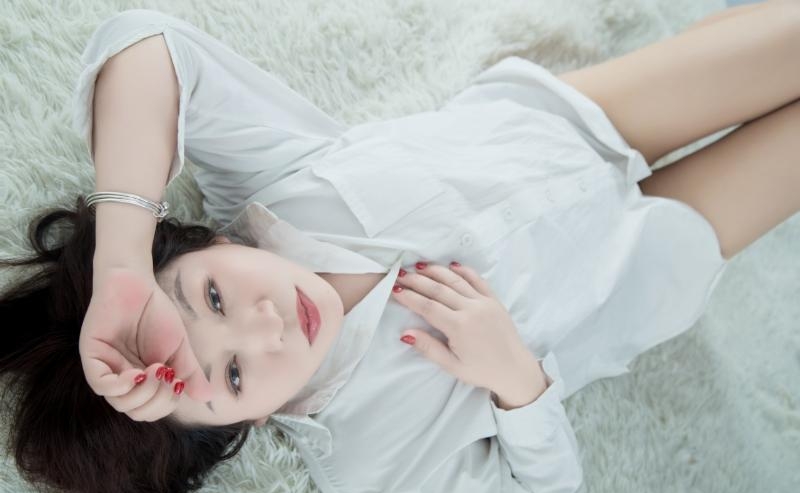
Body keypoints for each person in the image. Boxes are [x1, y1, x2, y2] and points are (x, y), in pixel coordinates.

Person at [2, 2, 799, 492]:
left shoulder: (270, 186)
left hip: (582, 119)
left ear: (203, 243)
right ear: (247, 421)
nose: (267, 322)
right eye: (235, 374)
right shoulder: (369, 457)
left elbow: (143, 44)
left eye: (212, 294)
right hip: (638, 266)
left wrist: (122, 266)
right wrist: (515, 382)